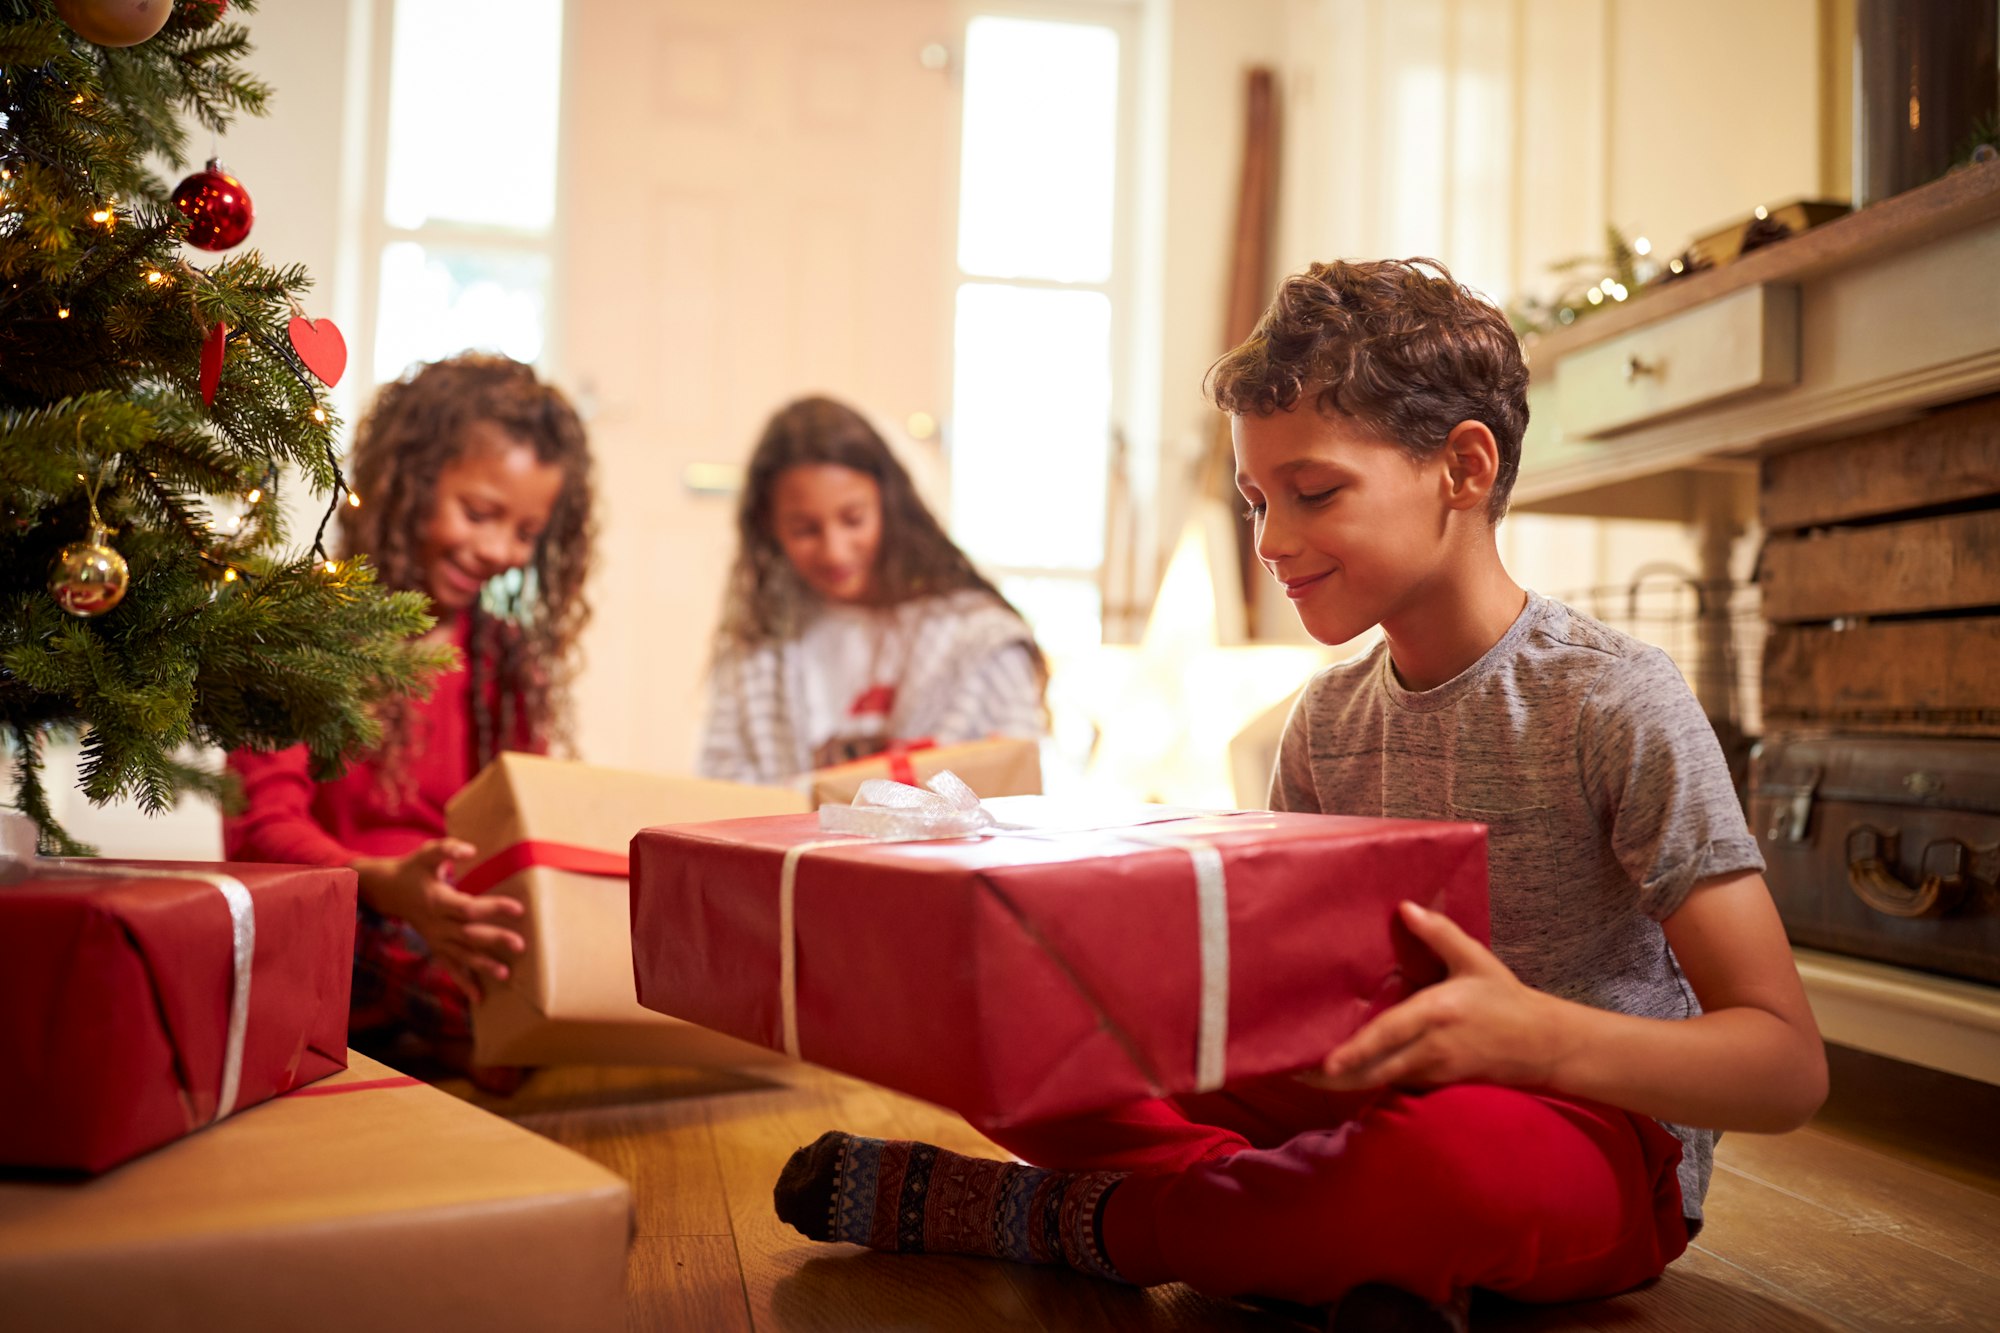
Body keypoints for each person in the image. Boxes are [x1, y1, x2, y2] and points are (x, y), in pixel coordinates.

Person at [768, 260, 1828, 1329]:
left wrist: (1524, 1035)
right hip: (1371, 1098)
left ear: (1462, 468)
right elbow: (1297, 1000)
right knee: (1020, 1044)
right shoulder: (1324, 722)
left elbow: (1783, 1066)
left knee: (1428, 1178)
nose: (1271, 541)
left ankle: (1057, 1219)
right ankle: (1305, 1232)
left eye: (1313, 493)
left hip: (1590, 1133)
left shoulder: (1611, 698)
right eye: (1255, 500)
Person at [223, 353, 594, 1079]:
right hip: (340, 911)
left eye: (525, 532)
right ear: (407, 480)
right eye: (480, 513)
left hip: (450, 918)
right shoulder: (296, 631)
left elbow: (522, 828)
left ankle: (466, 1030)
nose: (497, 550)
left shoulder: (503, 659)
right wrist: (390, 882)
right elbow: (261, 834)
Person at [699, 395, 1045, 784]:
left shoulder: (978, 641)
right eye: (805, 530)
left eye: (853, 519)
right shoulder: (760, 645)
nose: (834, 551)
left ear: (889, 503)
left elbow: (1015, 788)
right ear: (770, 528)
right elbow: (723, 789)